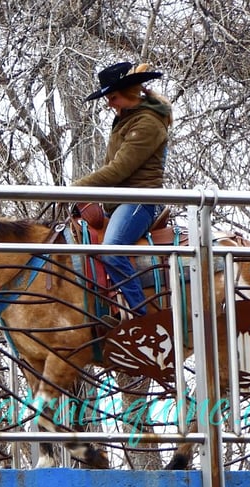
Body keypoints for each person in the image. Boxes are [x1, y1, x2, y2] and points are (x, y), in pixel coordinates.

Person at [72, 62, 173, 325]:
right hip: (118, 203)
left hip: (140, 200)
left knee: (112, 251)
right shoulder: (125, 119)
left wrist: (74, 188)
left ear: (129, 92)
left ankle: (141, 321)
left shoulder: (148, 123)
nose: (109, 103)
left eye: (112, 97)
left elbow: (119, 169)